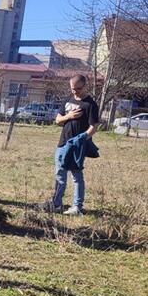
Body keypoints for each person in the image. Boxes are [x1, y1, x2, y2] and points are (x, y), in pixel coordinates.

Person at [48, 74, 100, 215]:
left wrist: (82, 138)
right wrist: (69, 116)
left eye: (78, 88)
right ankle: (56, 204)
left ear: (85, 86)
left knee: (76, 176)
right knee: (60, 174)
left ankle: (77, 207)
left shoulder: (90, 104)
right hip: (63, 143)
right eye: (73, 89)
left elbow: (93, 127)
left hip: (78, 146)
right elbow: (58, 120)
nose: (75, 91)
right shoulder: (68, 100)